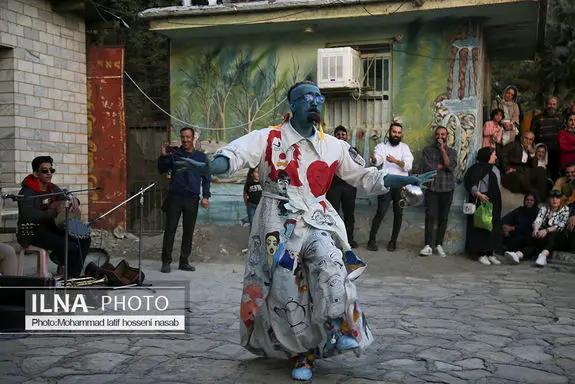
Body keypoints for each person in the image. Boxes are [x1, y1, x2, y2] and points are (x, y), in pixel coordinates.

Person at [173, 80, 435, 381]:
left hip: (317, 217)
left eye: (318, 97)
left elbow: (364, 176)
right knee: (287, 288)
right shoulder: (268, 138)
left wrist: (405, 180)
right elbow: (232, 157)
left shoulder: (334, 146)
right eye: (305, 97)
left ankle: (335, 327)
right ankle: (303, 354)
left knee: (330, 263)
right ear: (292, 105)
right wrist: (208, 166)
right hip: (276, 224)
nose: (314, 102)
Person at [16, 156, 89, 278]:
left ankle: (72, 276)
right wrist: (53, 212)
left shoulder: (52, 187)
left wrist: (74, 201)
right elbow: (28, 215)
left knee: (84, 238)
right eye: (45, 171)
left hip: (52, 229)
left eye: (51, 170)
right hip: (32, 232)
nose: (49, 173)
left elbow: (65, 199)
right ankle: (64, 265)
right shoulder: (27, 192)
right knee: (69, 246)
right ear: (35, 173)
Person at [157, 127, 211, 273]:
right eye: (183, 137)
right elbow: (161, 169)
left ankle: (184, 261)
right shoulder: (175, 155)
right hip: (175, 197)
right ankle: (166, 261)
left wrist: (206, 196)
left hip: (192, 199)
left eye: (188, 137)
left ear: (193, 138)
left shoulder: (201, 157)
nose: (185, 140)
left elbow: (206, 178)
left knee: (188, 231)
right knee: (170, 230)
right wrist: (163, 156)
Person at [367, 122, 414, 252]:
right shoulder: (382, 147)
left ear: (401, 134)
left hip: (400, 185)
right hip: (386, 183)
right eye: (394, 132)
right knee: (380, 212)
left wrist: (396, 161)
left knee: (399, 214)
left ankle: (393, 242)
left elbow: (408, 165)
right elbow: (378, 159)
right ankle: (371, 240)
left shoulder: (405, 148)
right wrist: (374, 159)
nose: (396, 135)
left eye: (399, 133)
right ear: (389, 133)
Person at [420, 126, 458, 258]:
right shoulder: (427, 150)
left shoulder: (452, 152)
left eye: (443, 134)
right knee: (430, 216)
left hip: (447, 188)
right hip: (432, 188)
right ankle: (428, 245)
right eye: (438, 134)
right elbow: (428, 167)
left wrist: (442, 151)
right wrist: (443, 166)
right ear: (434, 136)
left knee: (443, 217)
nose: (440, 137)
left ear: (447, 136)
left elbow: (451, 166)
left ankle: (439, 244)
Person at [504, 189, 569, 267]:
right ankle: (518, 255)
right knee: (533, 239)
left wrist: (546, 230)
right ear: (549, 199)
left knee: (553, 235)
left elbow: (561, 226)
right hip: (545, 235)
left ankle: (543, 256)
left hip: (559, 237)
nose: (554, 200)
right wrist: (536, 230)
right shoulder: (544, 208)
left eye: (557, 198)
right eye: (552, 198)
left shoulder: (565, 209)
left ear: (560, 200)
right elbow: (538, 220)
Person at [463, 147, 503, 265]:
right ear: (487, 156)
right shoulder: (477, 168)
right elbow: (470, 182)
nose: (495, 157)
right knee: (481, 226)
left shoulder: (495, 169)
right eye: (493, 155)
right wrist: (479, 194)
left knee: (493, 225)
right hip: (482, 200)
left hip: (494, 200)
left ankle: (490, 252)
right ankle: (481, 253)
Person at [325, 125, 361, 248]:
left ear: (347, 137)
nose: (341, 136)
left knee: (349, 215)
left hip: (349, 187)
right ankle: (331, 241)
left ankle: (349, 240)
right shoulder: (329, 150)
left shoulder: (353, 150)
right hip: (334, 187)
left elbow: (359, 165)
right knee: (332, 215)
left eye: (343, 134)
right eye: (338, 134)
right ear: (335, 136)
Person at [500, 132, 548, 200]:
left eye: (530, 139)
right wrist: (507, 168)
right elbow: (502, 155)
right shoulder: (513, 145)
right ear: (521, 138)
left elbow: (534, 166)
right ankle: (536, 195)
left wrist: (531, 153)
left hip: (526, 171)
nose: (528, 141)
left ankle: (542, 198)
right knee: (520, 177)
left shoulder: (531, 148)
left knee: (541, 170)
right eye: (526, 138)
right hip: (513, 170)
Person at [531, 96, 563, 180]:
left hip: (556, 151)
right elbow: (532, 134)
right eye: (550, 104)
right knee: (541, 173)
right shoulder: (537, 118)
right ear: (546, 105)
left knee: (555, 173)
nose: (552, 106)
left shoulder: (561, 118)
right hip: (541, 152)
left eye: (554, 104)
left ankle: (554, 190)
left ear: (556, 106)